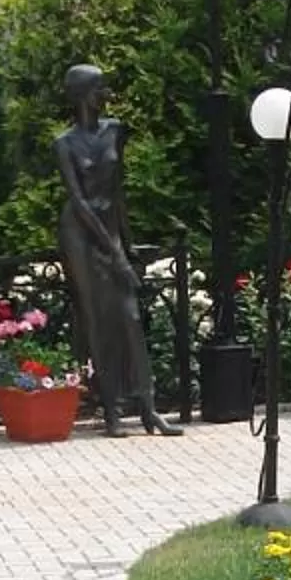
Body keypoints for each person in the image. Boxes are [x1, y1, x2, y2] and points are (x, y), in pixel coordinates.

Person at [54, 65, 180, 437]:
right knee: (98, 320)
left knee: (131, 317)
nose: (104, 94)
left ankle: (148, 408)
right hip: (79, 233)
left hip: (109, 228)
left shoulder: (115, 131)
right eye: (98, 88)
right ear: (81, 94)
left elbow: (117, 191)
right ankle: (110, 410)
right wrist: (115, 253)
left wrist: (127, 240)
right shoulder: (64, 143)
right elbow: (78, 201)